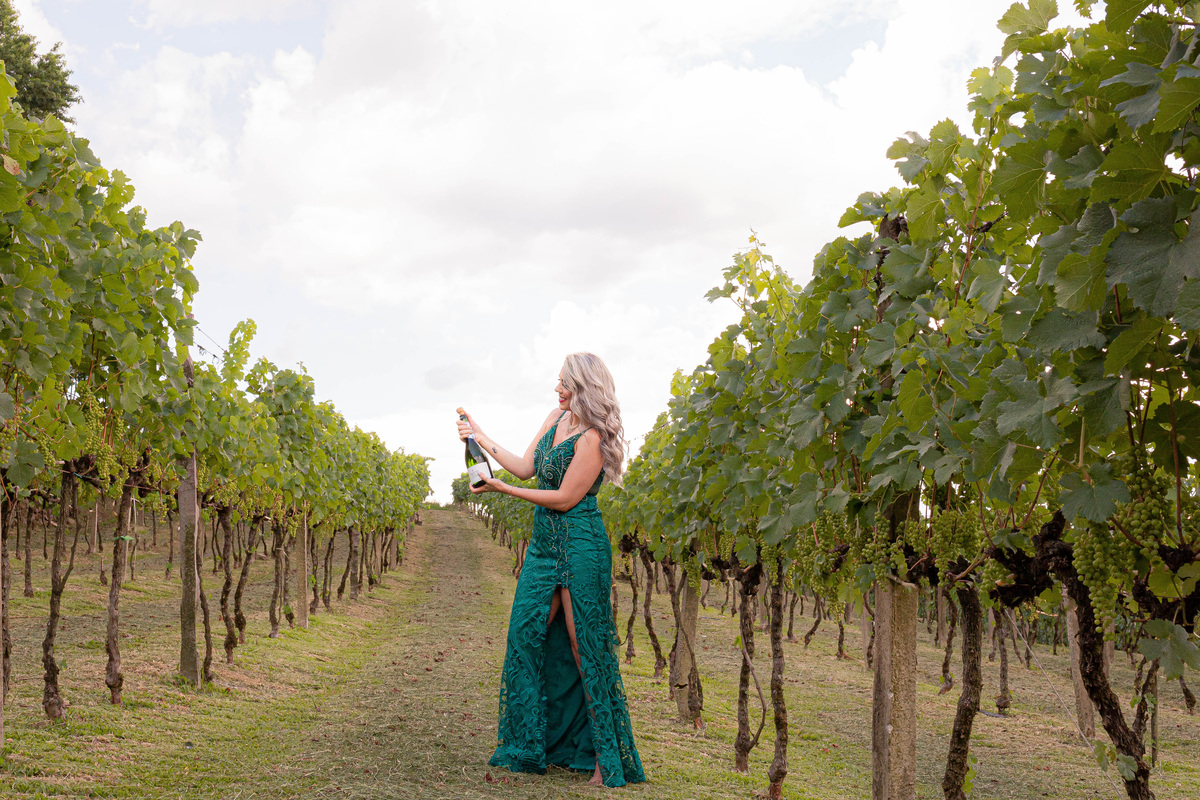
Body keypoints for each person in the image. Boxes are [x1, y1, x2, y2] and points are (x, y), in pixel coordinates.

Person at [457, 352, 646, 788]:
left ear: (584, 387)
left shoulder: (595, 438)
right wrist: (481, 438)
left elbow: (563, 498)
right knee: (526, 634)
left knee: (586, 649)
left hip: (581, 545)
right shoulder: (554, 418)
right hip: (544, 546)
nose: (556, 389)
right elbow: (527, 467)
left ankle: (604, 758)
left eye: (564, 383)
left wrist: (503, 490)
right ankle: (529, 745)